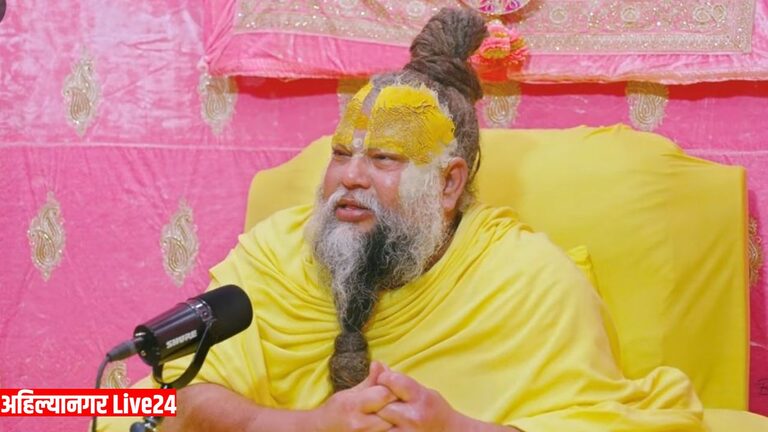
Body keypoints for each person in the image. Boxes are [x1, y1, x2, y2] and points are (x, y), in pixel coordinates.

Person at [100, 7, 705, 432]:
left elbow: (602, 421)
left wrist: (455, 428)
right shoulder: (275, 255)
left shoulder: (529, 280)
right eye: (341, 153)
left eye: (385, 159)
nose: (350, 177)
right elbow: (171, 398)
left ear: (449, 183)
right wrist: (300, 426)